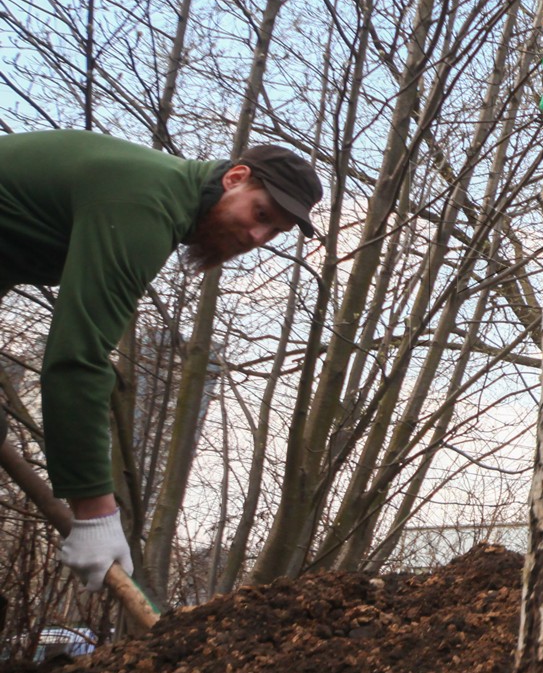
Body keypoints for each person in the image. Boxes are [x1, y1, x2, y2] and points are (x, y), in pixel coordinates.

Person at [0, 131, 322, 590]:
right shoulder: (145, 204)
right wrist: (94, 511)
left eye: (273, 232)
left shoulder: (161, 197)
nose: (257, 236)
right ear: (235, 178)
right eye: (261, 214)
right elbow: (78, 358)